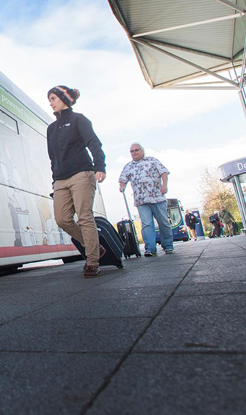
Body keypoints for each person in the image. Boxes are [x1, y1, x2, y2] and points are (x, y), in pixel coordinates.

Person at [46, 85, 106, 278]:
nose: (50, 103)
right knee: (62, 219)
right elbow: (52, 157)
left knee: (84, 216)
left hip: (82, 173)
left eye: (53, 98)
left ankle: (93, 261)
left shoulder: (79, 119)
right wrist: (55, 178)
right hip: (60, 179)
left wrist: (100, 166)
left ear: (65, 98)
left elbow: (93, 143)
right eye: (50, 99)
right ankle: (94, 246)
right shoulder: (51, 128)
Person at [118, 143, 174, 256]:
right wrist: (122, 186)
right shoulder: (128, 166)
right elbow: (123, 178)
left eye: (136, 150)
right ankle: (150, 249)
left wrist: (164, 185)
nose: (134, 153)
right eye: (131, 151)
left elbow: (164, 172)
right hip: (141, 200)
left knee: (163, 223)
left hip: (157, 197)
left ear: (142, 151)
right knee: (147, 224)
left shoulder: (152, 160)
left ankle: (168, 245)